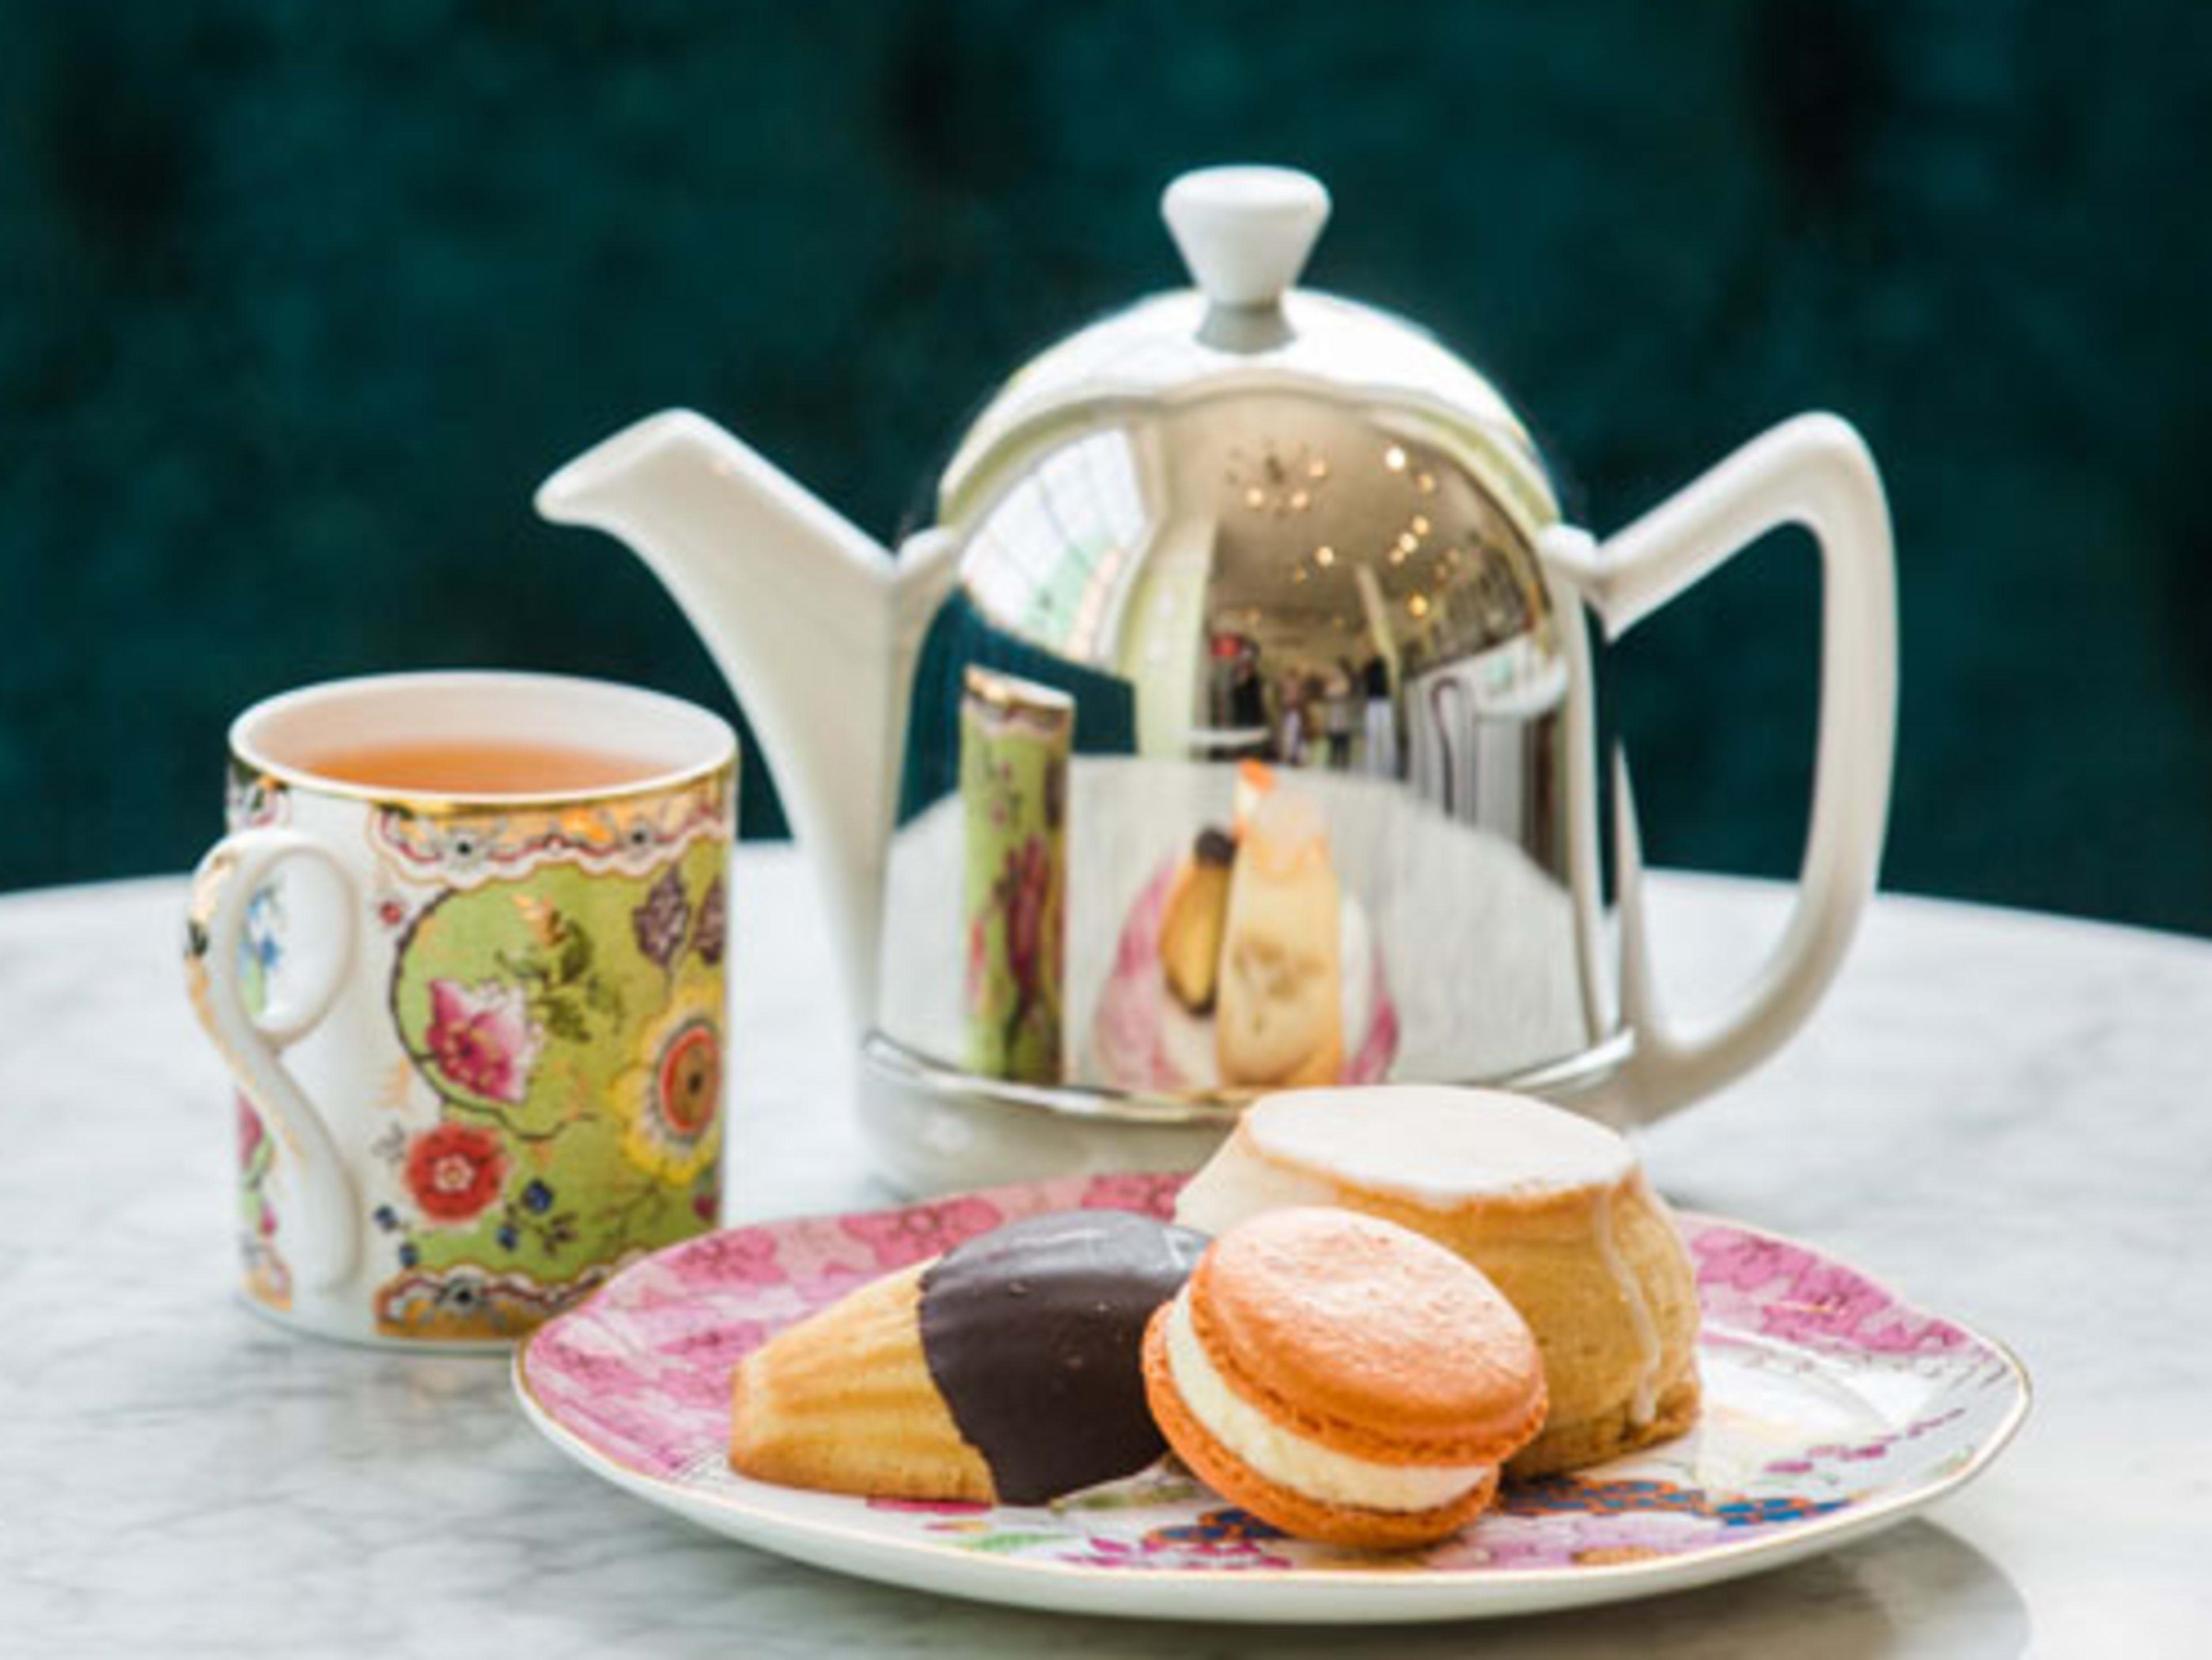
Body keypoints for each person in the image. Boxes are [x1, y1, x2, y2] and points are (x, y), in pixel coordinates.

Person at [1362, 654, 1397, 778]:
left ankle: (1379, 767)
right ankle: (1384, 767)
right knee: (1382, 735)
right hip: (1380, 702)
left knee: (1376, 735)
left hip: (1378, 702)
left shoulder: (1370, 669)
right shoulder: (1374, 669)